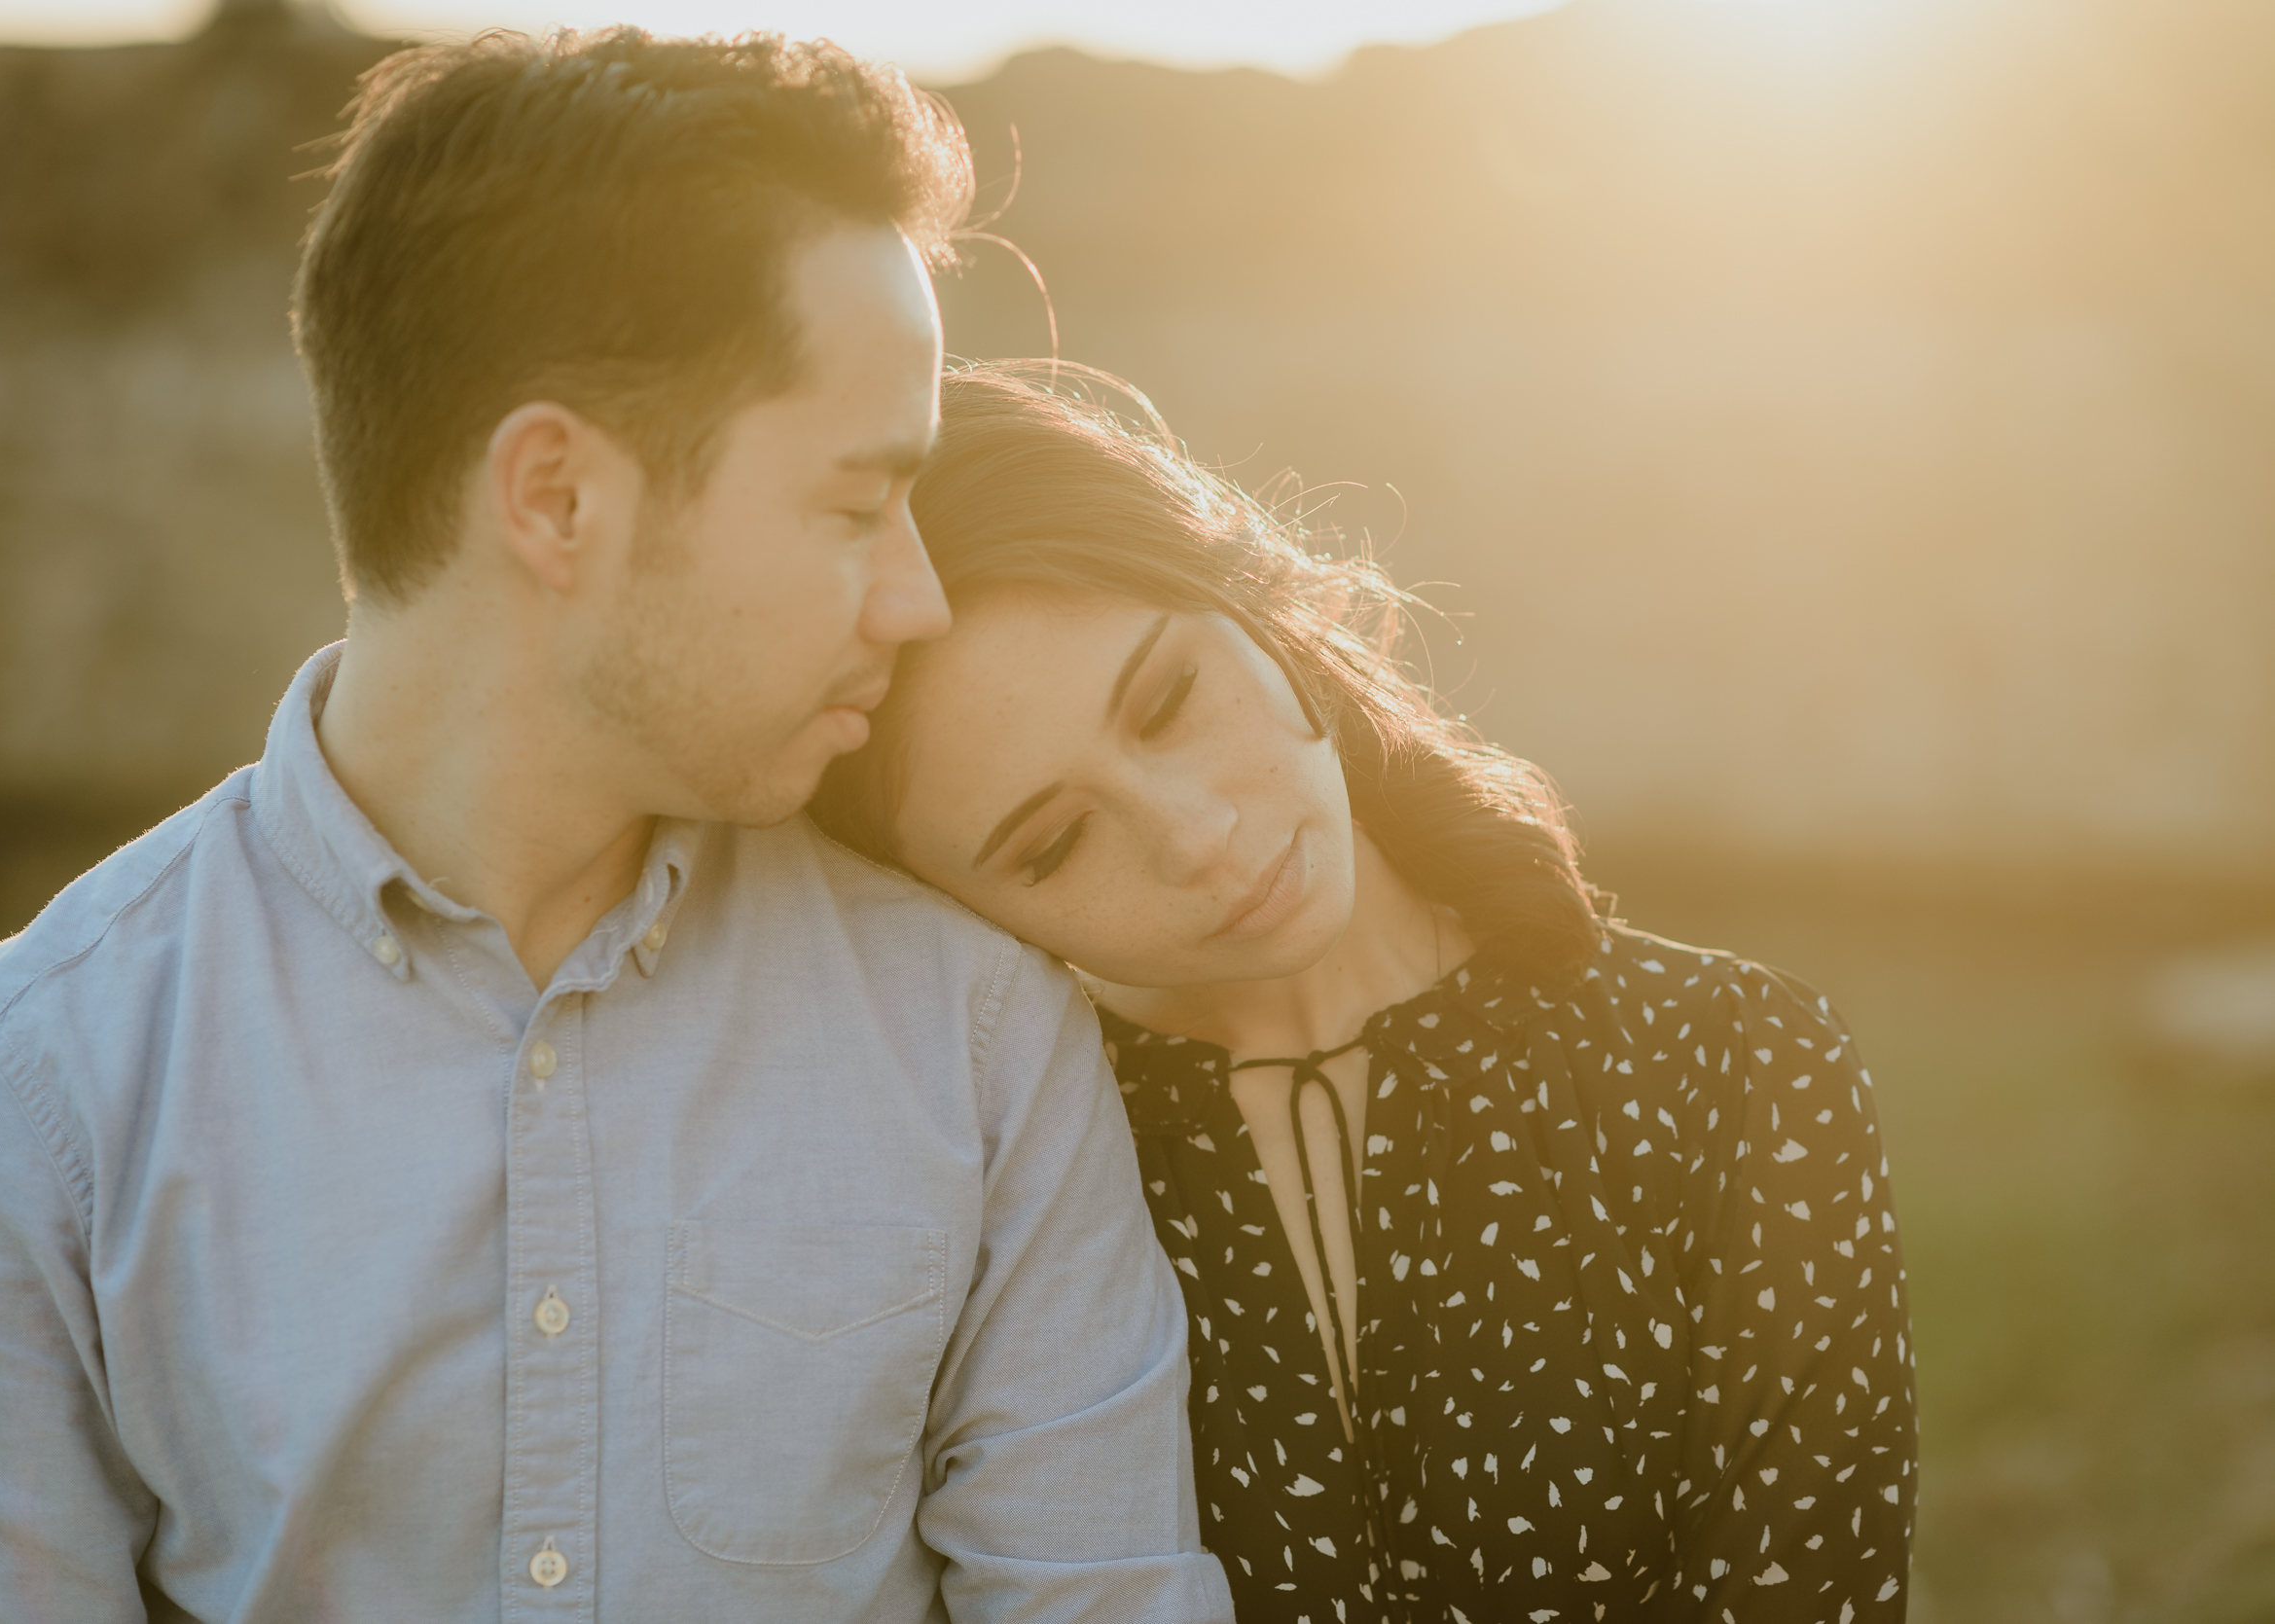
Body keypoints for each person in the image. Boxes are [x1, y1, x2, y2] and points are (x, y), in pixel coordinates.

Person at [0, 39, 1231, 1623]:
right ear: (558, 499)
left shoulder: (979, 1039)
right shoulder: (35, 1088)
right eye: (856, 505)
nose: (919, 598)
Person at [812, 361, 1919, 1624]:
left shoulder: (1738, 1064)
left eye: (1170, 699)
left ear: (1247, 600)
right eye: (1053, 844)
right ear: (956, 909)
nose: (1197, 839)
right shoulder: (1014, 1174)